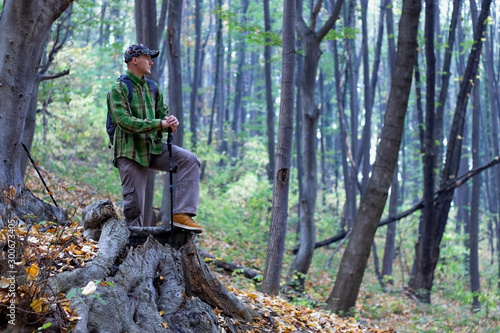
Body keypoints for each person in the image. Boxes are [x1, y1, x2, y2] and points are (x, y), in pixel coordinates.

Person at [107, 43, 203, 233]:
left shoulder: (153, 87)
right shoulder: (118, 88)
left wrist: (170, 120)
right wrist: (159, 124)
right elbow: (124, 121)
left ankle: (181, 214)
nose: (151, 62)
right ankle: (133, 251)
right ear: (135, 60)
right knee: (135, 209)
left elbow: (163, 114)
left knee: (189, 161)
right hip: (130, 152)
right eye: (147, 58)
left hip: (154, 148)